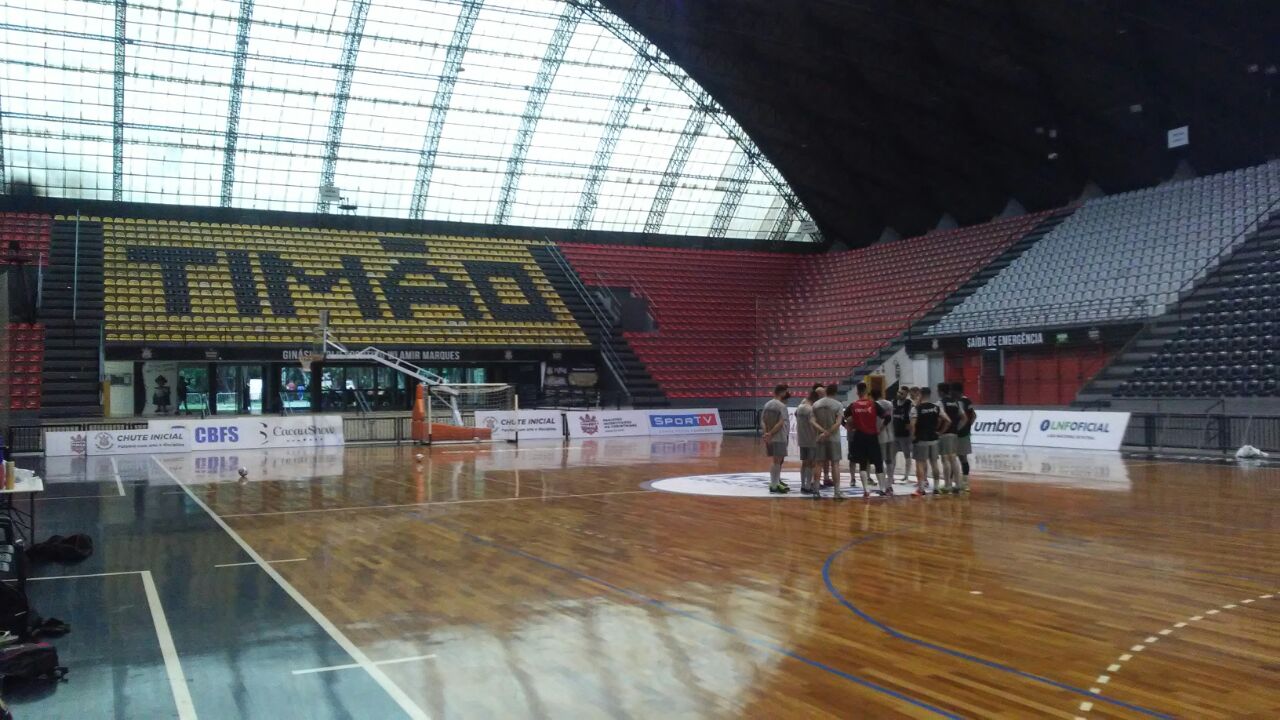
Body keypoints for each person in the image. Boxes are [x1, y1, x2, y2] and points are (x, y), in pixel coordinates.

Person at [844, 382, 888, 498]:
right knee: (878, 463)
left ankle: (866, 490)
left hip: (859, 436)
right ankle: (883, 489)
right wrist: (881, 429)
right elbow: (887, 417)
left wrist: (848, 427)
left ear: (857, 392)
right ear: (866, 391)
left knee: (862, 464)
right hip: (872, 436)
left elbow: (842, 417)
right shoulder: (873, 404)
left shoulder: (853, 405)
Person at [910, 386, 949, 497]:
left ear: (920, 395)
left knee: (920, 464)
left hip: (921, 439)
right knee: (934, 463)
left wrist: (913, 436)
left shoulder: (916, 408)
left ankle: (921, 489)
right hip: (934, 439)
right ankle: (936, 488)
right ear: (930, 395)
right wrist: (940, 432)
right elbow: (948, 420)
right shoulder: (936, 407)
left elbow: (912, 425)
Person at [811, 383, 845, 498]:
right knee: (835, 464)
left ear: (826, 391)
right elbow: (838, 423)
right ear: (835, 392)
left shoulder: (816, 404)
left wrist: (822, 432)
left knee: (818, 464)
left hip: (820, 438)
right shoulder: (838, 404)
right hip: (834, 438)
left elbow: (812, 421)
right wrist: (828, 432)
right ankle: (837, 492)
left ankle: (816, 491)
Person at [760, 383, 791, 494]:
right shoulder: (781, 406)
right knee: (777, 462)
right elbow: (781, 422)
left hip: (770, 438)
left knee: (775, 461)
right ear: (782, 392)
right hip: (779, 437)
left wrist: (766, 433)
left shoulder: (767, 404)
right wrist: (771, 433)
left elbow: (763, 420)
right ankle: (774, 484)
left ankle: (775, 482)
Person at [938, 382, 963, 493]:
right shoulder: (956, 403)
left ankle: (947, 484)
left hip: (945, 434)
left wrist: (940, 431)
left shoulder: (940, 403)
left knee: (945, 459)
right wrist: (957, 428)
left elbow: (942, 419)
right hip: (954, 433)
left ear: (941, 392)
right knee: (953, 458)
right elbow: (964, 418)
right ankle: (958, 484)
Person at [795, 388, 820, 494]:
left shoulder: (799, 407)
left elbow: (796, 416)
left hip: (801, 438)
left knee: (804, 463)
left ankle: (802, 485)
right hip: (811, 438)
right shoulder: (811, 409)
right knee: (811, 463)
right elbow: (813, 423)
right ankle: (808, 485)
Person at [873, 387, 896, 495]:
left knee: (880, 460)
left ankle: (882, 484)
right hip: (891, 433)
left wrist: (879, 429)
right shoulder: (890, 404)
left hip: (880, 434)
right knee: (890, 460)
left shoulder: (874, 405)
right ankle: (889, 484)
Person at [953, 381, 976, 491]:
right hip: (965, 433)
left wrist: (959, 428)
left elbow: (968, 417)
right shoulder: (968, 401)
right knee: (963, 458)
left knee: (953, 458)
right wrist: (968, 427)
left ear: (956, 391)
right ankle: (965, 483)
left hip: (958, 434)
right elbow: (974, 416)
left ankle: (955, 483)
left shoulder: (959, 402)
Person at [891, 386, 914, 483]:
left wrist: (911, 432)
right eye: (899, 392)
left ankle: (906, 476)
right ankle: (891, 475)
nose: (899, 395)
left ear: (906, 395)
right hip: (895, 433)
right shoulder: (893, 402)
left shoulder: (909, 403)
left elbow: (912, 417)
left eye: (902, 393)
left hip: (905, 435)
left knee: (907, 455)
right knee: (892, 455)